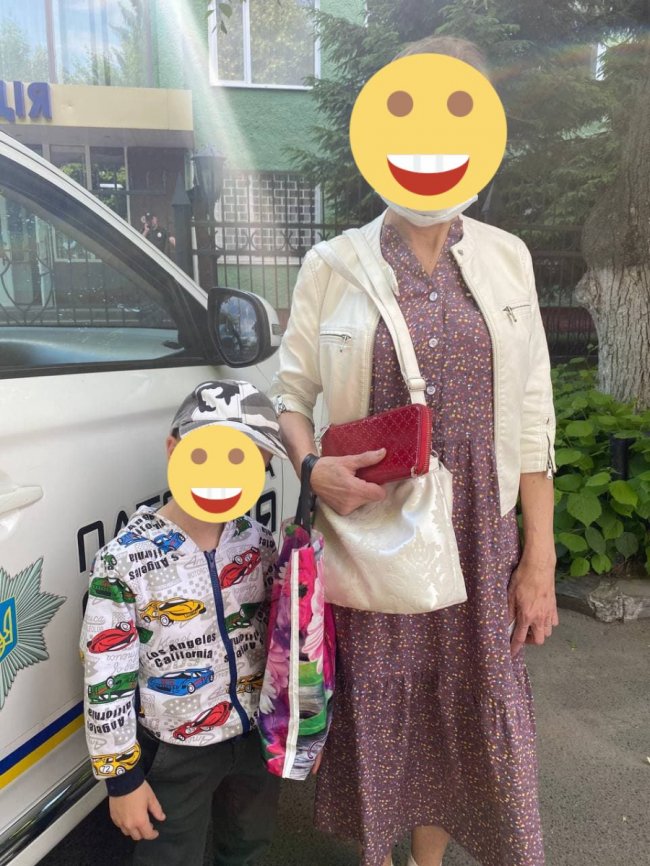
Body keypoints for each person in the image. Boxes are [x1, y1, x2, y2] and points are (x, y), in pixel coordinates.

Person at [268, 35, 557, 866]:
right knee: (385, 704)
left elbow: (533, 418)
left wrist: (537, 557)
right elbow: (290, 398)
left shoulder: (506, 259)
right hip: (375, 525)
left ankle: (427, 862)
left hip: (479, 529)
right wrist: (311, 466)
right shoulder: (334, 264)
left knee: (465, 703)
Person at [80, 379, 287, 866]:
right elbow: (106, 676)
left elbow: (284, 643)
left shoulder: (257, 541)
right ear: (175, 449)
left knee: (248, 846)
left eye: (250, 464)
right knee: (169, 856)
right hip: (176, 750)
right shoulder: (124, 560)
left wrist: (298, 727)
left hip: (255, 737)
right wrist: (122, 779)